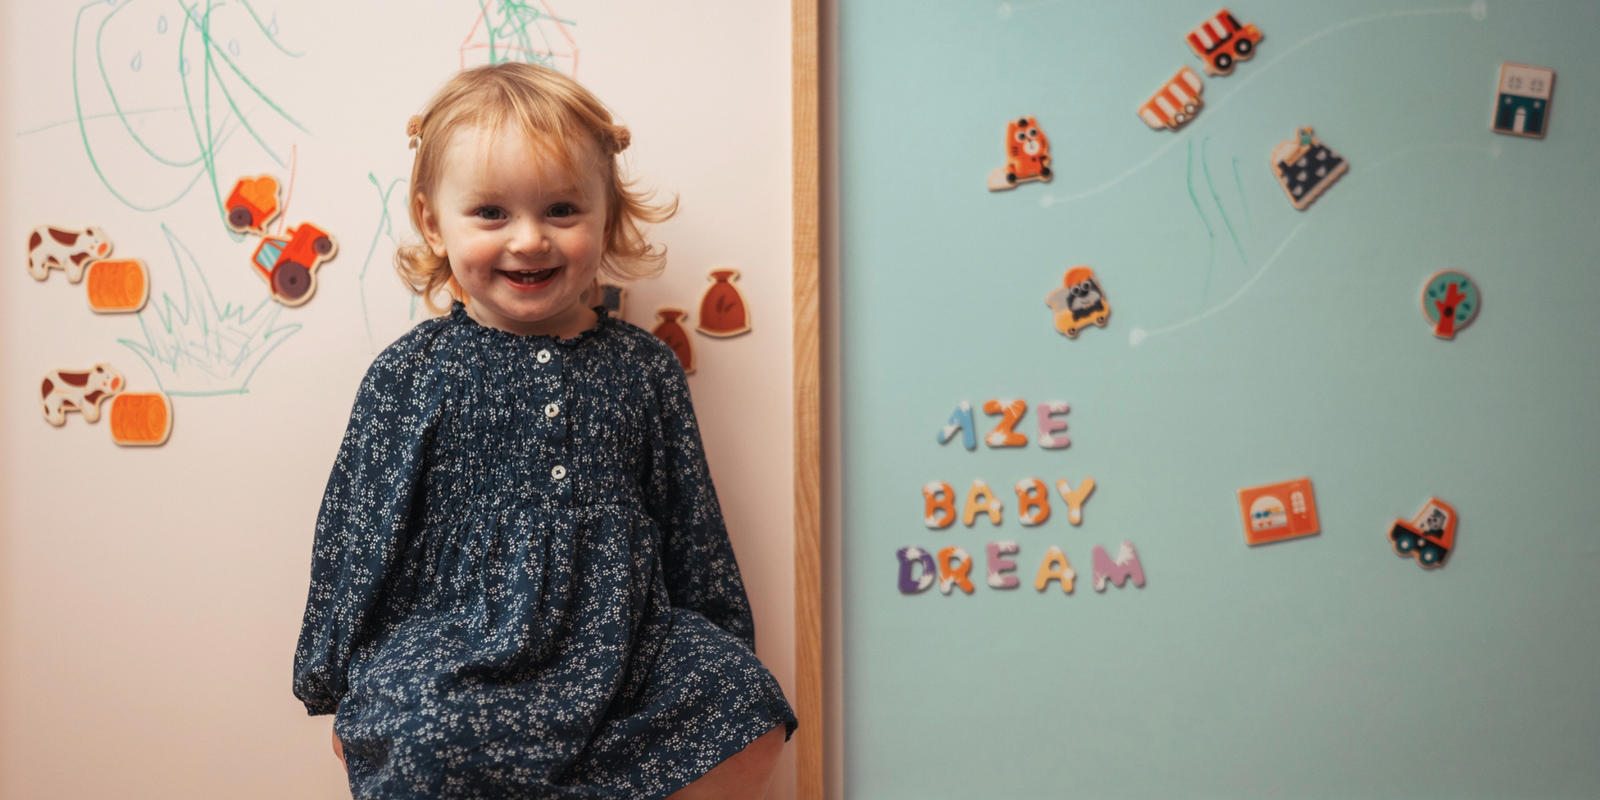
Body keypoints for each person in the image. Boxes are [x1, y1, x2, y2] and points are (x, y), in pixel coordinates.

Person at [292, 62, 797, 799]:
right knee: (419, 732)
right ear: (434, 221)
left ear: (607, 217)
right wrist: (337, 677)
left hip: (630, 645)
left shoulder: (644, 368)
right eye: (491, 214)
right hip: (460, 651)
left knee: (747, 706)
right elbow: (359, 527)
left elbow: (690, 522)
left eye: (562, 210)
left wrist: (724, 637)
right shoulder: (412, 372)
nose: (529, 240)